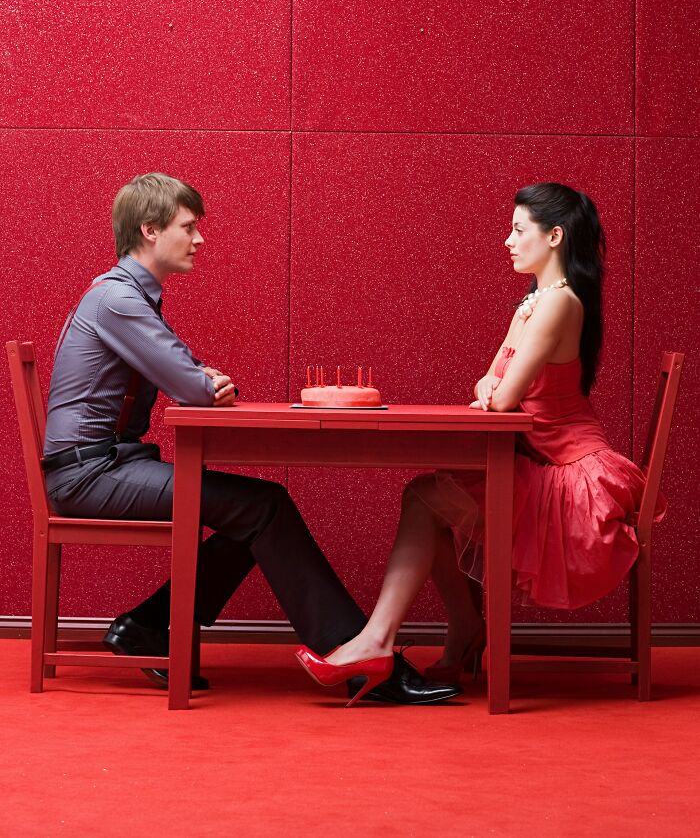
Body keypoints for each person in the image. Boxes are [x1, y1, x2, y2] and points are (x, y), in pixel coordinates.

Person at [42, 173, 460, 704]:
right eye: (188, 227)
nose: (199, 240)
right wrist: (200, 381)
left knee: (255, 510)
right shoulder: (118, 302)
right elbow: (195, 385)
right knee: (264, 508)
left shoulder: (128, 299)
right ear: (150, 229)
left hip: (105, 465)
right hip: (89, 474)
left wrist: (198, 378)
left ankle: (148, 625)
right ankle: (353, 654)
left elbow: (188, 370)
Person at [296, 182, 664, 698]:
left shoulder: (558, 306)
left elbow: (501, 395)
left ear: (554, 236)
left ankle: (382, 640)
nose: (508, 241)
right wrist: (493, 386)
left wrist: (493, 388)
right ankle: (446, 630)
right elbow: (486, 384)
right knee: (426, 497)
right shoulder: (535, 302)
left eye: (518, 230)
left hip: (573, 476)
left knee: (426, 499)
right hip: (542, 460)